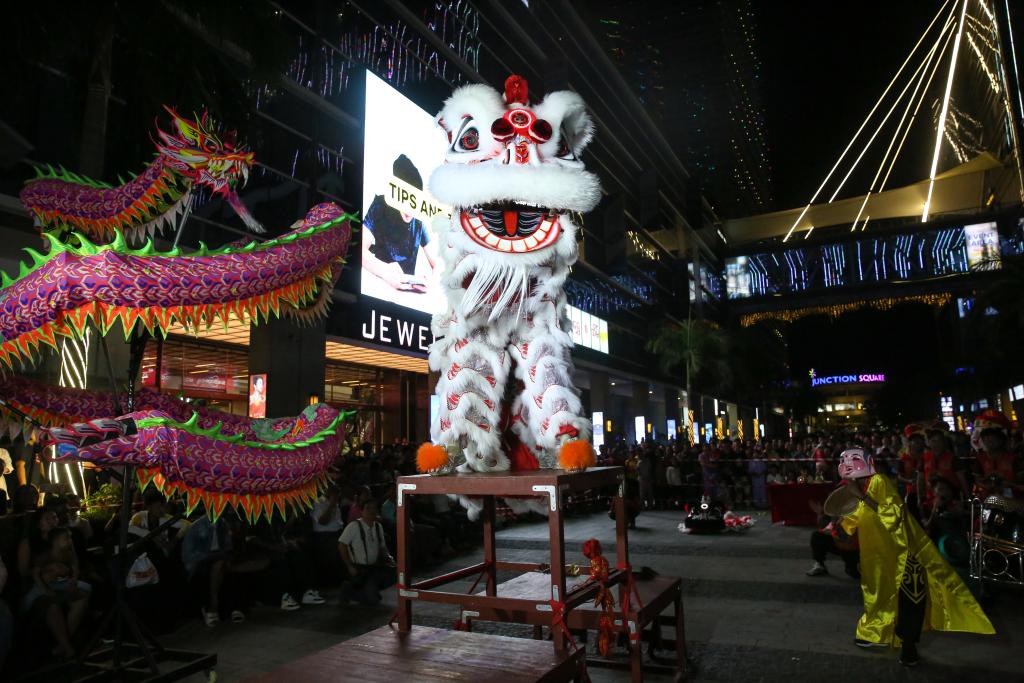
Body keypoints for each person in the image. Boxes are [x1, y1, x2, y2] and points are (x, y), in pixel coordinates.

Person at [838, 448, 994, 667]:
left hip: (904, 553)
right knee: (878, 597)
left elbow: (894, 514)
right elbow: (851, 522)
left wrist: (861, 496)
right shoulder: (856, 491)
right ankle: (875, 633)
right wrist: (834, 521)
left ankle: (908, 646)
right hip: (878, 560)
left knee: (911, 600)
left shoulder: (879, 482)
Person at [362, 154, 439, 291]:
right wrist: (385, 271)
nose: (410, 209)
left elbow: (439, 265)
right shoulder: (380, 206)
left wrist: (432, 280)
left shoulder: (419, 222)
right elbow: (360, 250)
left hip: (406, 295)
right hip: (379, 287)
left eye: (414, 202)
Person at [337, 499, 396, 605]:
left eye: (374, 508)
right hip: (359, 568)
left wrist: (390, 558)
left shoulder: (378, 526)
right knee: (373, 601)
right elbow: (342, 545)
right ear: (362, 511)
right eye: (368, 508)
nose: (371, 511)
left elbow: (383, 547)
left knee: (396, 574)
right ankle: (349, 590)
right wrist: (349, 566)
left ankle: (370, 590)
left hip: (373, 567)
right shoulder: (354, 526)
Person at [806, 499, 859, 579]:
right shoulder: (833, 513)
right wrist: (821, 514)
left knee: (853, 573)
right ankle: (820, 564)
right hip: (841, 544)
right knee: (817, 536)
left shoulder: (856, 511)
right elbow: (827, 528)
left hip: (855, 548)